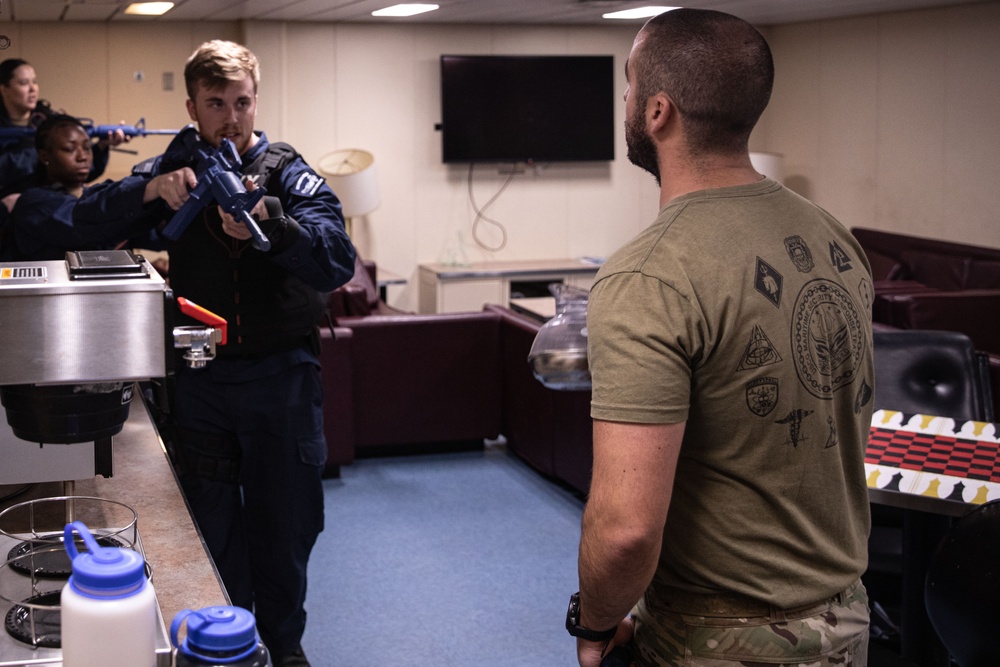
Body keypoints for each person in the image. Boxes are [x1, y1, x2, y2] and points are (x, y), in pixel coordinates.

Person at [571, 9, 874, 667]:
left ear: (657, 112)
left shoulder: (648, 275)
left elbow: (626, 530)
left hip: (719, 642)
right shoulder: (835, 239)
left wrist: (592, 623)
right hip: (847, 622)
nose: (624, 101)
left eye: (628, 86)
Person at [131, 40, 355, 667]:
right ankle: (221, 644)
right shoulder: (172, 171)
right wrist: (153, 194)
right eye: (217, 104)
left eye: (243, 102)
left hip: (282, 378)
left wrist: (275, 226)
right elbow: (102, 220)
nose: (232, 118)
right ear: (192, 107)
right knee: (209, 526)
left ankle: (282, 650)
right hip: (201, 379)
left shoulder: (289, 171)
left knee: (284, 529)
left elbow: (337, 257)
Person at [0, 113, 189, 260]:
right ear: (44, 156)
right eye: (69, 149)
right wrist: (152, 186)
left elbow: (149, 234)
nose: (82, 156)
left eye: (87, 147)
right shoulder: (32, 203)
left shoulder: (92, 196)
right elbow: (86, 220)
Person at [0, 58, 128, 197]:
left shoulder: (50, 121)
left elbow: (78, 173)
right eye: (24, 83)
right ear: (4, 89)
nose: (33, 89)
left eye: (35, 82)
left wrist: (101, 147)